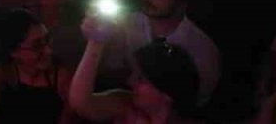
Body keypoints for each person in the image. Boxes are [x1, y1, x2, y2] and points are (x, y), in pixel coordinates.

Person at [70, 11, 202, 123]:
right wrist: (96, 42)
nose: (130, 82)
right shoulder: (126, 105)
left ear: (168, 93)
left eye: (141, 79)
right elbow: (81, 103)